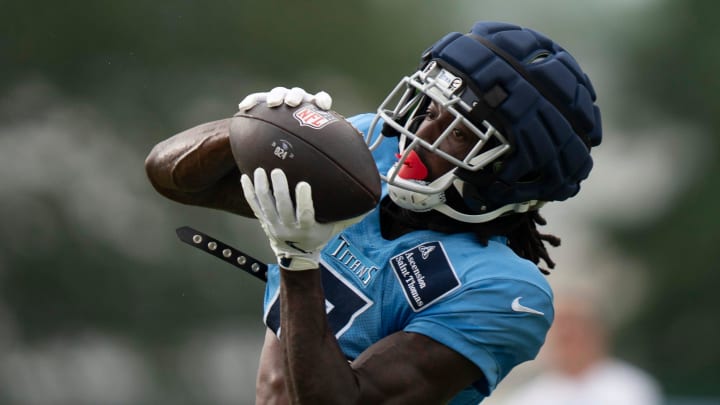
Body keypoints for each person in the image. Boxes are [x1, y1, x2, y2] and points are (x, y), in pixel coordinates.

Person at [145, 21, 602, 404]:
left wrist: (299, 263)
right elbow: (173, 178)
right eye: (430, 109)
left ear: (511, 176)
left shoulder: (502, 291)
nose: (421, 134)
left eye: (461, 134)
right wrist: (258, 125)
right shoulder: (371, 155)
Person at [497, 292, 663, 405]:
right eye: (561, 327)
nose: (567, 333)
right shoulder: (529, 397)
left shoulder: (629, 387)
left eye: (576, 326)